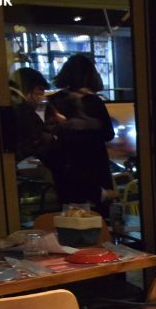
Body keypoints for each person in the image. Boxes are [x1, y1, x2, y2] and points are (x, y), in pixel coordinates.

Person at [42, 54, 117, 209]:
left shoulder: (54, 101)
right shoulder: (94, 102)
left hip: (66, 166)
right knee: (97, 215)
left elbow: (49, 132)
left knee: (70, 214)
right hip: (94, 165)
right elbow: (108, 134)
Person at [8, 67, 53, 161]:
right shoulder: (23, 110)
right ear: (31, 90)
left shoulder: (6, 100)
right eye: (40, 93)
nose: (41, 99)